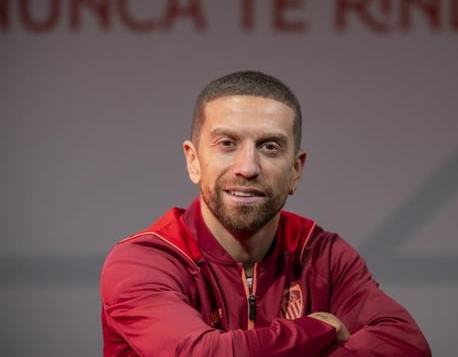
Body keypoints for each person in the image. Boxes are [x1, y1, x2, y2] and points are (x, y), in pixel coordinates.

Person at [100, 71, 432, 356]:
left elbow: (407, 344)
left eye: (269, 147)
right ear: (193, 161)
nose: (247, 168)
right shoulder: (144, 261)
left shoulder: (324, 256)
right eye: (227, 143)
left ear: (295, 170)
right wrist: (321, 329)